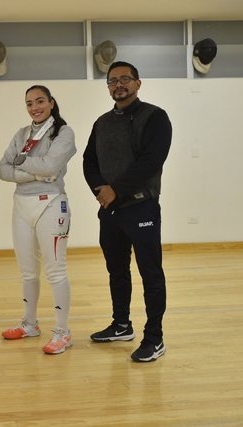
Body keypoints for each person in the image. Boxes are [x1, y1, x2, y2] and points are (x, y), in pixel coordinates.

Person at [83, 61, 172, 362]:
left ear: (137, 83)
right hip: (111, 210)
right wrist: (100, 190)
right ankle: (122, 325)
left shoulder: (155, 117)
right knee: (116, 270)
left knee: (150, 273)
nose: (118, 85)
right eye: (112, 81)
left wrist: (115, 189)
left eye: (125, 79)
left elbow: (151, 160)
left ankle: (155, 338)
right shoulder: (102, 122)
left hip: (141, 205)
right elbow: (89, 161)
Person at [0, 85, 77, 354]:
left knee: (55, 270)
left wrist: (23, 164)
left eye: (40, 101)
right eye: (30, 103)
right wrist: (36, 172)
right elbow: (2, 169)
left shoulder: (64, 133)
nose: (35, 107)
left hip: (51, 204)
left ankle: (62, 332)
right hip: (22, 205)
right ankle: (30, 323)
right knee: (27, 271)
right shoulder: (21, 134)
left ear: (51, 103)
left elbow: (51, 167)